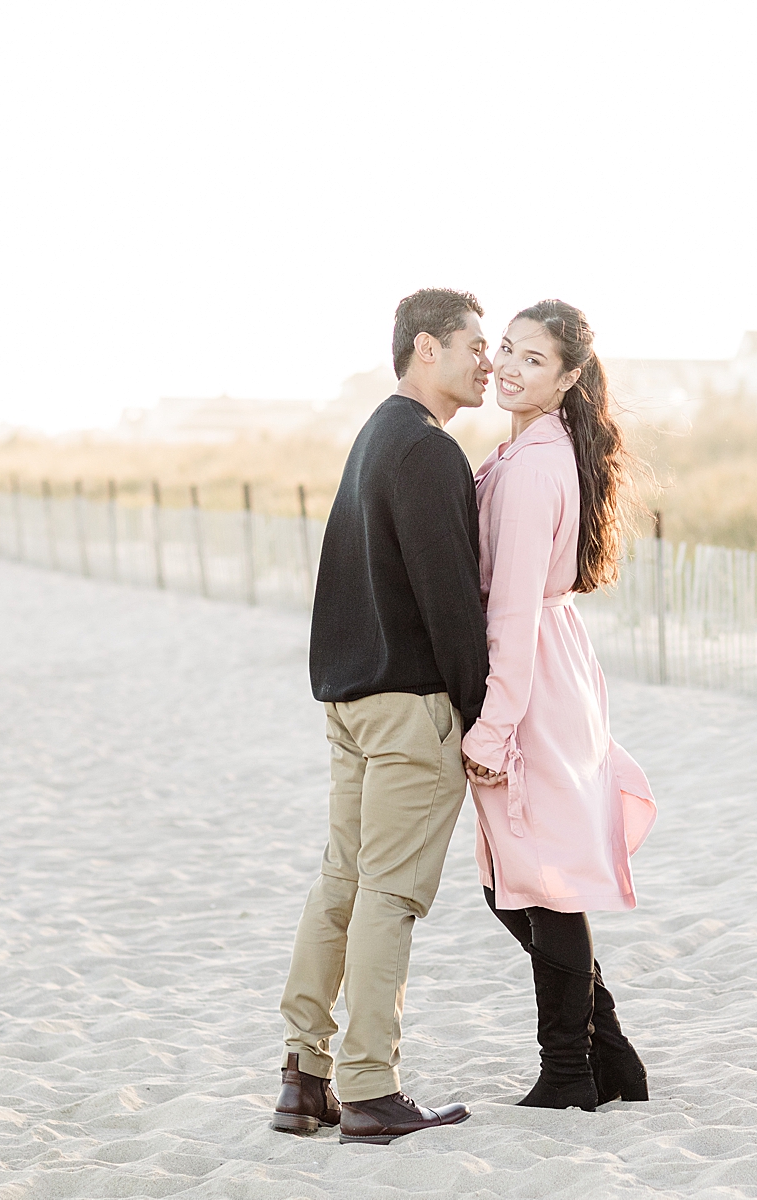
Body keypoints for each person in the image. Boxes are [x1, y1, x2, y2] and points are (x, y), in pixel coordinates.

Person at [271, 288, 492, 1145]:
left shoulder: (371, 437)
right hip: (407, 713)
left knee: (340, 887)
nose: (487, 362)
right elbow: (452, 609)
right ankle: (369, 1088)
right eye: (475, 345)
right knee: (388, 897)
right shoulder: (429, 453)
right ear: (426, 348)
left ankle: (304, 1078)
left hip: (349, 704)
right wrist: (479, 717)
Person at [461, 299, 658, 1112]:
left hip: (533, 680)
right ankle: (606, 1053)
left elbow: (508, 607)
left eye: (532, 359)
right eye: (505, 349)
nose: (508, 366)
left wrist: (493, 726)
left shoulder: (537, 465)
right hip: (550, 666)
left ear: (569, 377)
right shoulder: (527, 452)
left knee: (539, 882)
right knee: (519, 879)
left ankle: (571, 1072)